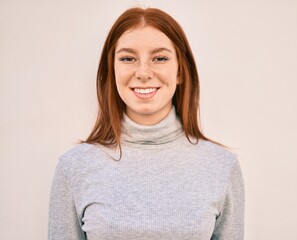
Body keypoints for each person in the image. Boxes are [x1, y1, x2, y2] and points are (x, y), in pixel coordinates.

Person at [48, 7, 244, 240]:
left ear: (180, 71)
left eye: (160, 58)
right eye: (128, 58)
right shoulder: (74, 167)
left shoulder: (221, 166)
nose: (143, 72)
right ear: (112, 70)